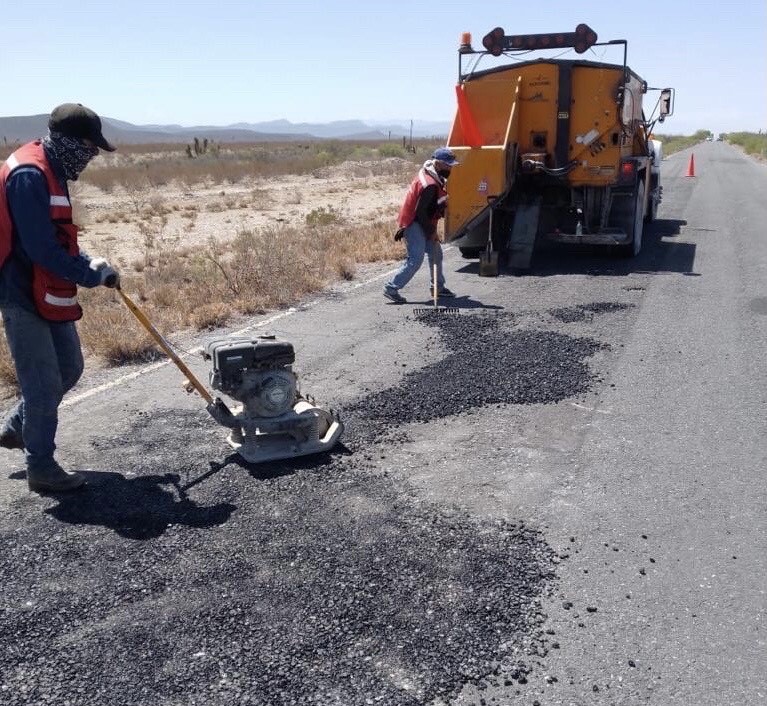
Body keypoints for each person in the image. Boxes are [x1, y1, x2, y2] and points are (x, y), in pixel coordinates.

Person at [0, 103, 120, 492]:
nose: (92, 155)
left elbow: (57, 239)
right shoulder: (29, 175)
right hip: (20, 289)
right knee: (42, 384)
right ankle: (41, 467)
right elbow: (40, 248)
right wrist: (89, 274)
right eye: (88, 147)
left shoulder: (53, 167)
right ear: (68, 142)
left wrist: (89, 261)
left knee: (69, 367)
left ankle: (17, 426)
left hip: (46, 286)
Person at [384, 147, 459, 304]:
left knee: (436, 253)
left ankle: (438, 288)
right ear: (438, 163)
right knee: (415, 259)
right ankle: (391, 288)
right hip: (416, 223)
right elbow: (421, 213)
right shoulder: (430, 184)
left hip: (420, 221)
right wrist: (431, 232)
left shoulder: (431, 174)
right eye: (448, 165)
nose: (450, 168)